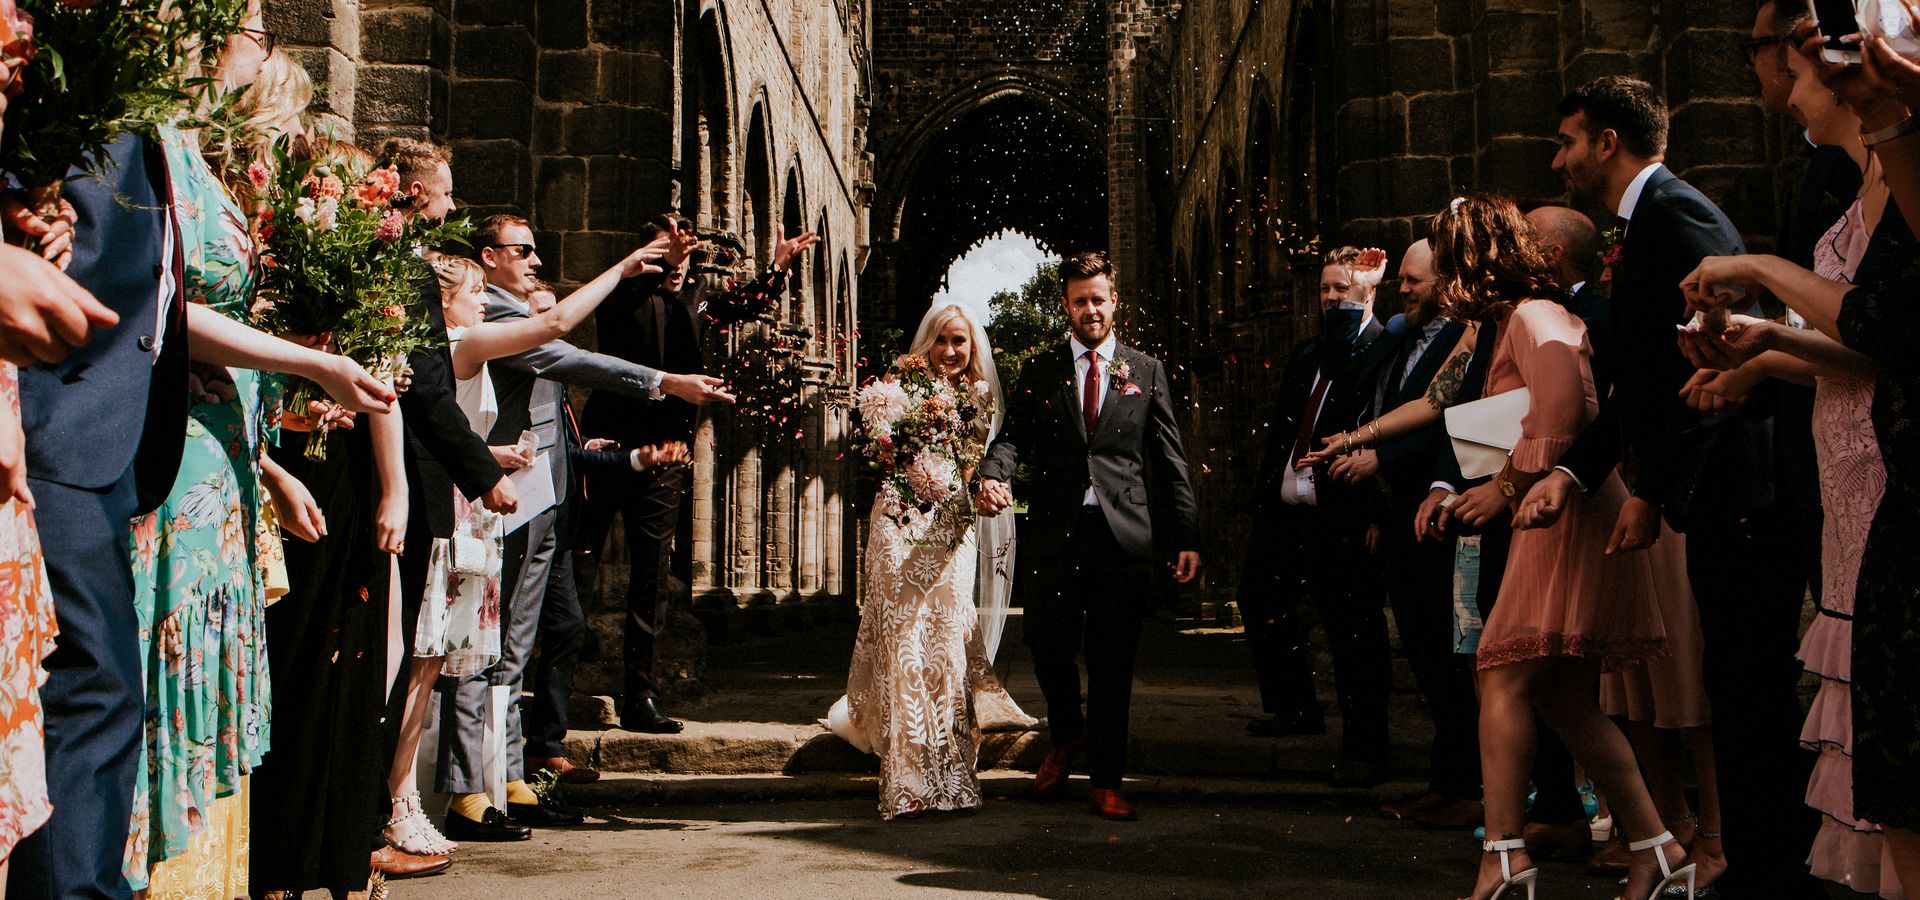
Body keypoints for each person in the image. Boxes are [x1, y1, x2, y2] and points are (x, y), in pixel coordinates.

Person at [1529, 74, 1822, 899]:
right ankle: (1759, 866)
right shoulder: (1644, 221)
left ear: (1607, 142)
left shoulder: (1680, 215)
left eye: (1567, 142)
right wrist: (1575, 471)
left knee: (1746, 682)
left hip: (1743, 485)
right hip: (1714, 485)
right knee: (1732, 680)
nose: (1560, 161)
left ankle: (1770, 869)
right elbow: (1644, 378)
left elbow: (1714, 363)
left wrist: (1652, 492)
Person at [436, 215, 730, 842]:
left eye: (539, 249)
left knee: (517, 647)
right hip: (502, 496)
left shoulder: (516, 305)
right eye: (524, 250)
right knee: (479, 647)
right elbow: (570, 348)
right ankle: (466, 789)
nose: (538, 260)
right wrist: (662, 379)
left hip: (547, 497)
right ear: (488, 258)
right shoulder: (493, 314)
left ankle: (508, 776)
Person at [974, 251, 1200, 822]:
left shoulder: (1145, 372)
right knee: (1048, 649)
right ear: (1066, 307)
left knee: (1113, 662)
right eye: (1080, 301)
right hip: (1057, 535)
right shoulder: (1040, 370)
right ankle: (1067, 733)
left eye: (1099, 299)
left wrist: (1186, 536)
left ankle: (1106, 780)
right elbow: (1012, 437)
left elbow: (1169, 461)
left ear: (1114, 301)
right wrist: (992, 474)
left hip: (1123, 538)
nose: (1090, 310)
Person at [578, 215, 814, 738]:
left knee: (651, 576)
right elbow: (619, 311)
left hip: (667, 455)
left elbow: (744, 305)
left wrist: (776, 268)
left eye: (684, 254)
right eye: (665, 252)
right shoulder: (620, 296)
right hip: (609, 448)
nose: (679, 264)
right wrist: (667, 259)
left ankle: (639, 695)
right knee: (579, 558)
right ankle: (558, 675)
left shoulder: (697, 299)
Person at [834, 301, 1037, 820]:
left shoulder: (979, 397)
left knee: (945, 638)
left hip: (951, 526)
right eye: (942, 340)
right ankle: (905, 773)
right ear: (927, 342)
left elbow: (973, 467)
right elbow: (880, 454)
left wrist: (973, 495)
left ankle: (948, 766)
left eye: (960, 342)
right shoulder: (894, 390)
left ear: (972, 349)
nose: (950, 351)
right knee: (904, 636)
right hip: (899, 522)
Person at [1236, 245, 1396, 788]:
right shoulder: (1308, 352)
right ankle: (1295, 706)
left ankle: (1366, 748)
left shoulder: (1382, 346)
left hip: (1344, 511)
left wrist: (1379, 512)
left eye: (1342, 288)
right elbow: (1284, 426)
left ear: (1369, 289)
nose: (1331, 297)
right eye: (1326, 288)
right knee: (1259, 597)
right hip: (1288, 508)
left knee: (1354, 628)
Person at [1348, 239, 1482, 828]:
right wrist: (1364, 297)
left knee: (1453, 658)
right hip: (1402, 512)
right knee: (1426, 655)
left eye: (1415, 281)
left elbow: (1453, 421)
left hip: (1446, 511)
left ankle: (1466, 785)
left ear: (1448, 281)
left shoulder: (1466, 338)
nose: (1405, 290)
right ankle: (1445, 780)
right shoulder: (1404, 335)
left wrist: (1381, 456)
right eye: (1400, 280)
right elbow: (1356, 375)